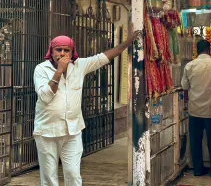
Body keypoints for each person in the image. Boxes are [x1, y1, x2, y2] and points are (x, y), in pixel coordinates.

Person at [33, 24, 139, 186]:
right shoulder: (41, 69)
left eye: (66, 50)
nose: (62, 53)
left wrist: (127, 43)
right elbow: (45, 97)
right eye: (58, 49)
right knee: (48, 178)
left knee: (73, 175)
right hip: (47, 131)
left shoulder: (80, 65)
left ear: (72, 52)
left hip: (72, 131)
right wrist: (59, 72)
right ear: (51, 51)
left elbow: (104, 56)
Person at [181, 40, 211, 178]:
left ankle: (198, 170)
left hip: (194, 110)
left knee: (195, 141)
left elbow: (185, 87)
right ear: (209, 50)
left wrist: (187, 102)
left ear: (197, 50)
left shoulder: (189, 66)